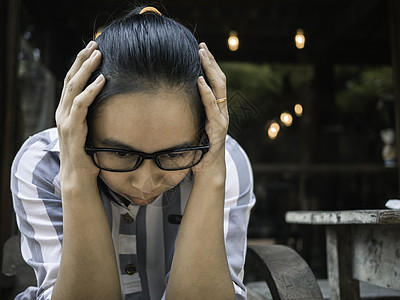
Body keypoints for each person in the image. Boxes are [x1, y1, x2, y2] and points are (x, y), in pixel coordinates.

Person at [11, 5, 256, 300]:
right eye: (121, 153)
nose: (145, 183)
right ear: (83, 126)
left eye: (174, 155)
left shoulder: (223, 160)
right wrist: (76, 173)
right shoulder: (43, 164)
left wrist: (210, 175)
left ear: (203, 133)